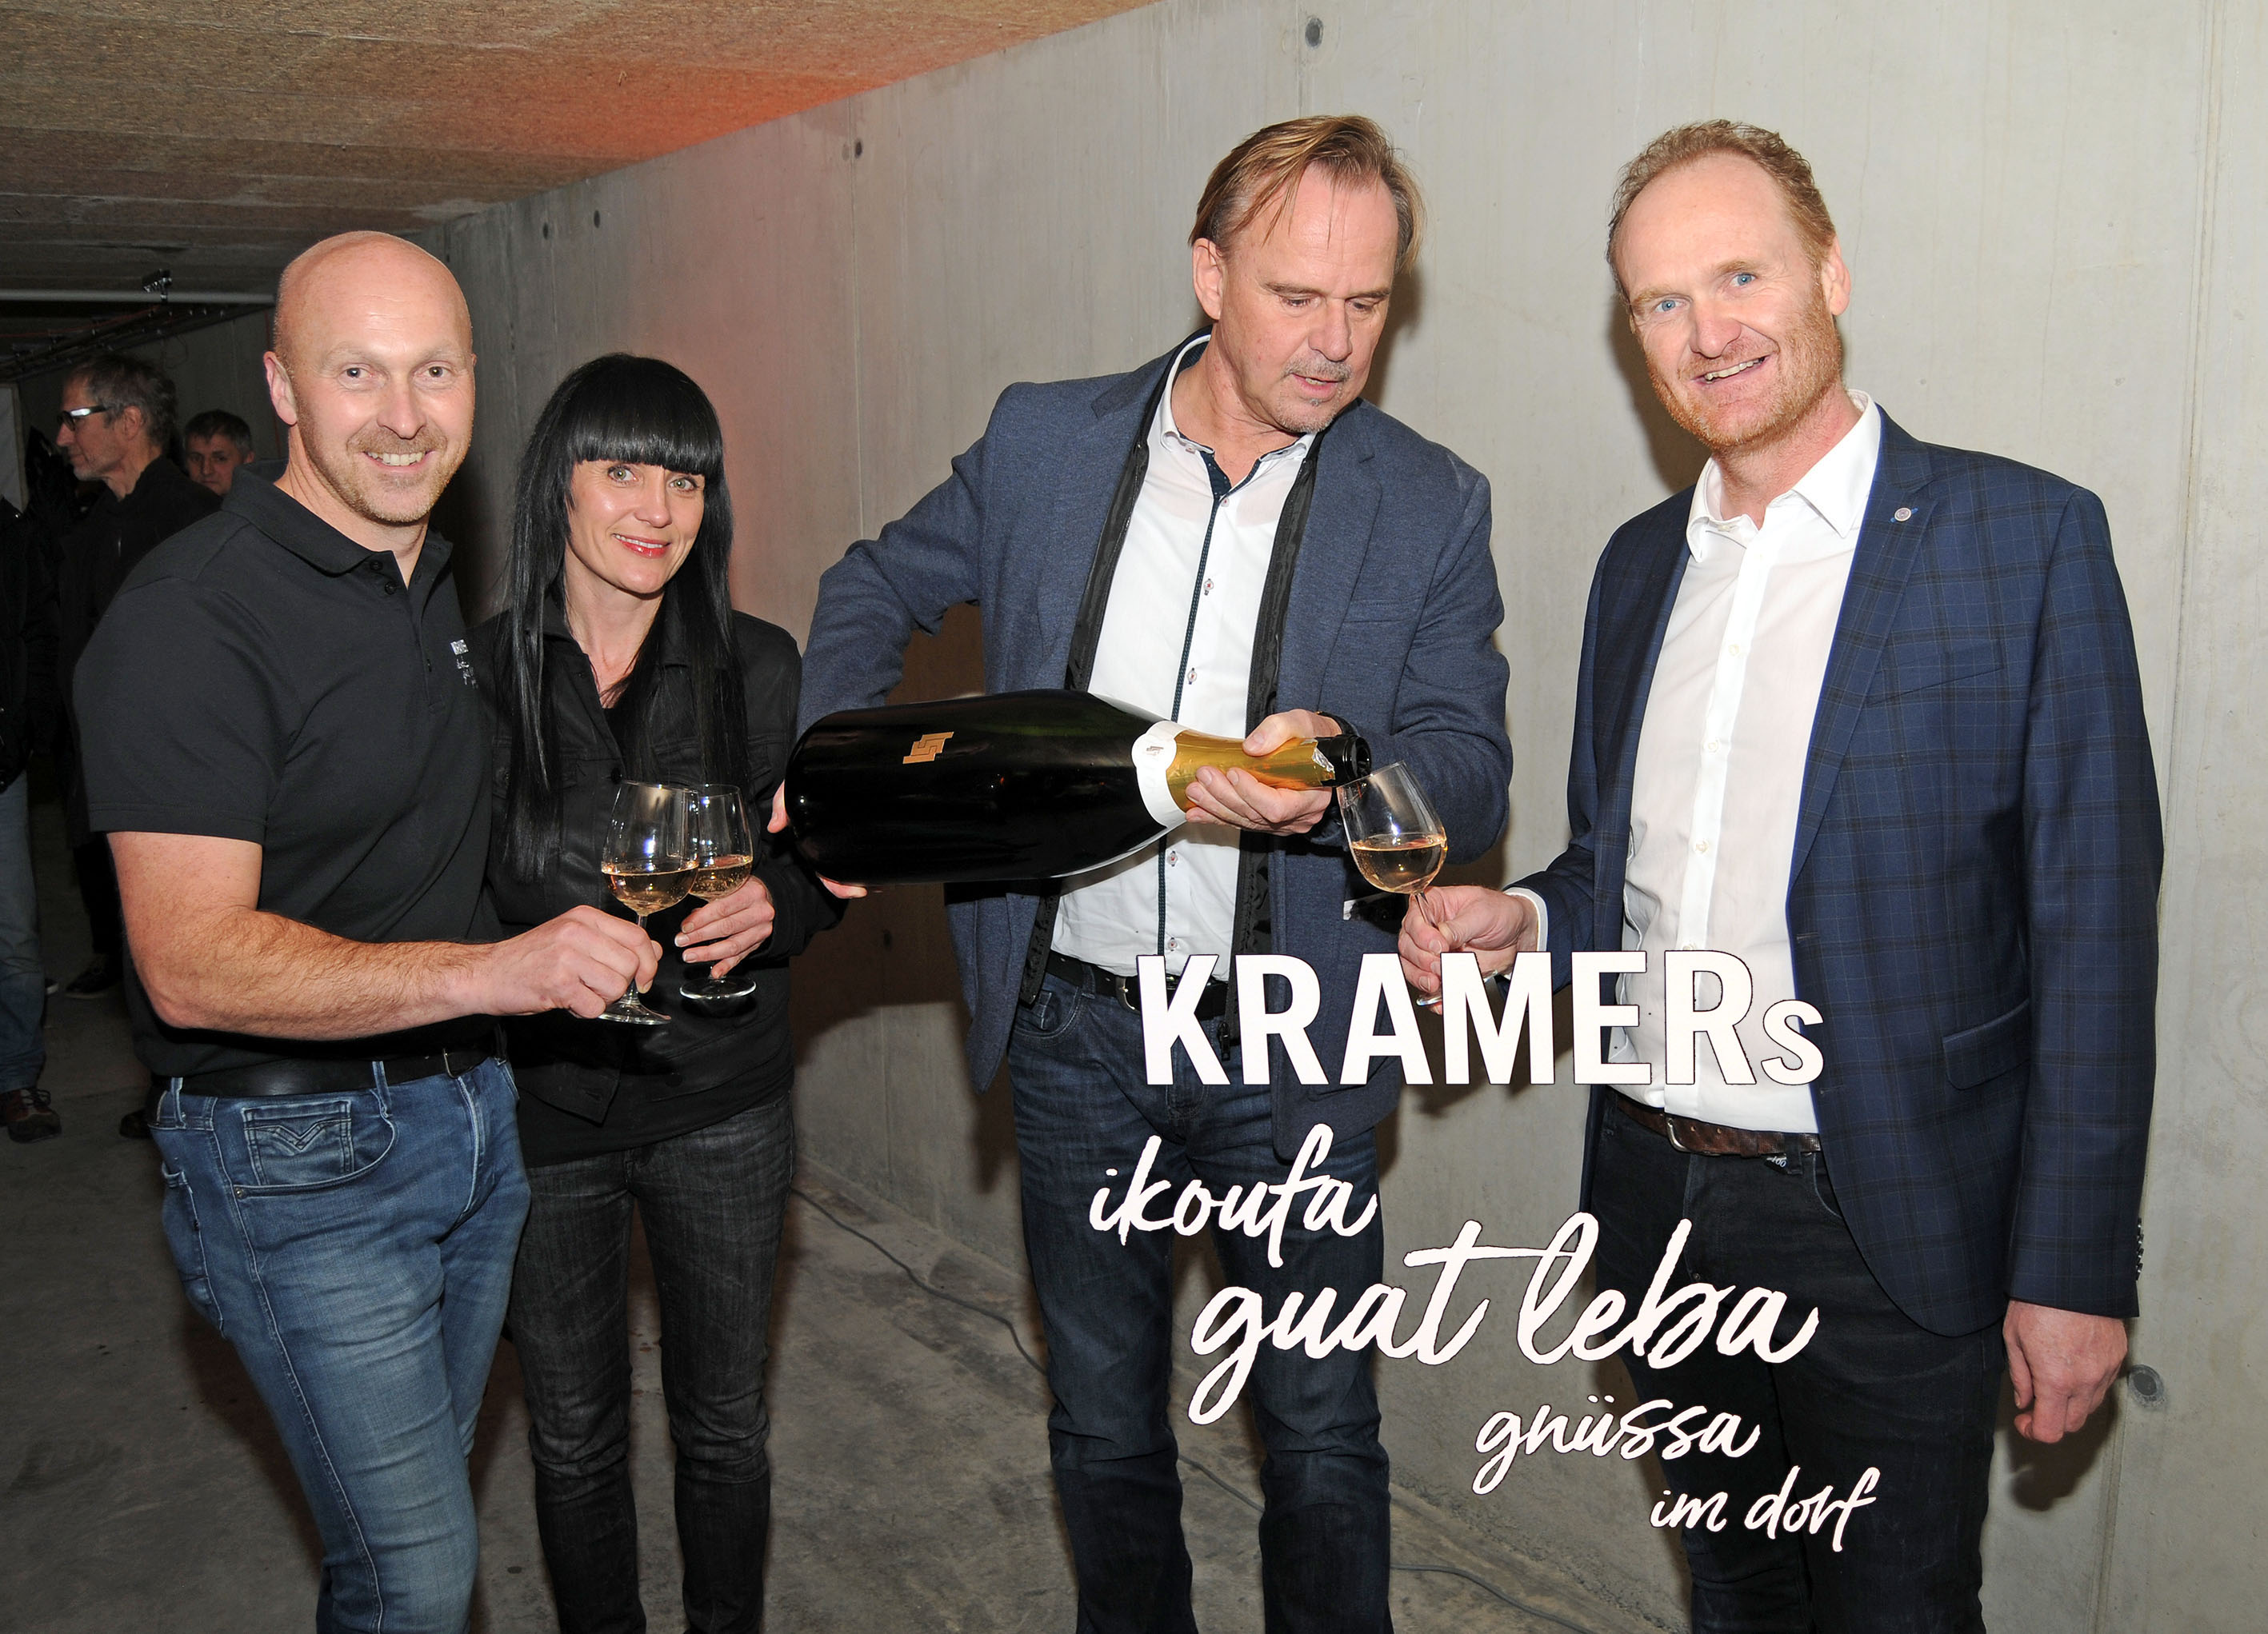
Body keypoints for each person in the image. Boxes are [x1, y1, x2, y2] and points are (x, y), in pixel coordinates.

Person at [1398, 121, 2160, 1632]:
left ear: (1829, 273)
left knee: (1896, 1607)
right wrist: (1529, 917)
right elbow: (1618, 865)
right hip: (1656, 1200)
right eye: (1661, 301)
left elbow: (2094, 935)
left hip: (1885, 1222)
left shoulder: (2022, 541)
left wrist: (2074, 1267)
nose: (1708, 331)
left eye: (1739, 276)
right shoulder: (1637, 567)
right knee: (1736, 1588)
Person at [793, 115, 1512, 1631]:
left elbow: (1469, 755)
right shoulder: (1045, 443)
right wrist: (839, 773)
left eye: (1367, 302)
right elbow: (874, 583)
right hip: (1075, 1032)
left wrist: (1341, 765)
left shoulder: (1430, 498)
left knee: (1319, 1435)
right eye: (1295, 296)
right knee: (1104, 1422)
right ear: (1208, 273)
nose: (1334, 342)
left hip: (1288, 1038)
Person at [74, 231, 662, 1634]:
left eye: (435, 372)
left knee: (405, 1541)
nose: (404, 415)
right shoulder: (191, 617)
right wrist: (500, 972)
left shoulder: (419, 582)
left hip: (467, 1123)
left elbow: (406, 844)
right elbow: (188, 961)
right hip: (297, 1161)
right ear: (283, 386)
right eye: (358, 373)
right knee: (417, 1574)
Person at [470, 354, 836, 1634]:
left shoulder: (757, 664)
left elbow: (818, 862)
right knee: (571, 1438)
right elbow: (434, 890)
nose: (657, 507)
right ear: (558, 485)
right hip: (540, 1107)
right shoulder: (478, 676)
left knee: (724, 1428)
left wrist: (778, 904)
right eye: (622, 470)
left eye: (685, 480)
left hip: (719, 1097)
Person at [54, 353, 218, 1004]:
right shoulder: (92, 528)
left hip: (185, 796)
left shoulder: (199, 523)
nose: (62, 436)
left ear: (128, 421)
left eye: (75, 418)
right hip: (111, 785)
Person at [0, 495, 59, 1141]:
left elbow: (39, 630)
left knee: (14, 934)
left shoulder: (11, 530)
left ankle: (17, 1075)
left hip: (1, 765)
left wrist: (28, 730)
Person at [184, 407, 258, 497]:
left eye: (220, 459)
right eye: (196, 459)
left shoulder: (267, 502)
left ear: (247, 461)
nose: (206, 471)